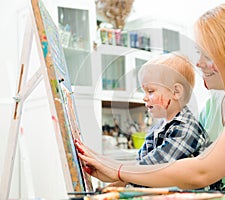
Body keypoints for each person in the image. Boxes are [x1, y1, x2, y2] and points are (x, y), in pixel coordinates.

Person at [75, 3, 225, 199]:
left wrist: (119, 170)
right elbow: (179, 163)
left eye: (208, 56)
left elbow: (201, 171)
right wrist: (121, 179)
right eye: (198, 53)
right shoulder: (213, 105)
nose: (198, 63)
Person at [83, 52, 209, 187]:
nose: (144, 97)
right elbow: (141, 163)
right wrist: (120, 181)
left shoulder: (186, 129)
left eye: (150, 91)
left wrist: (117, 173)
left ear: (176, 92)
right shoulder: (158, 128)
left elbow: (153, 168)